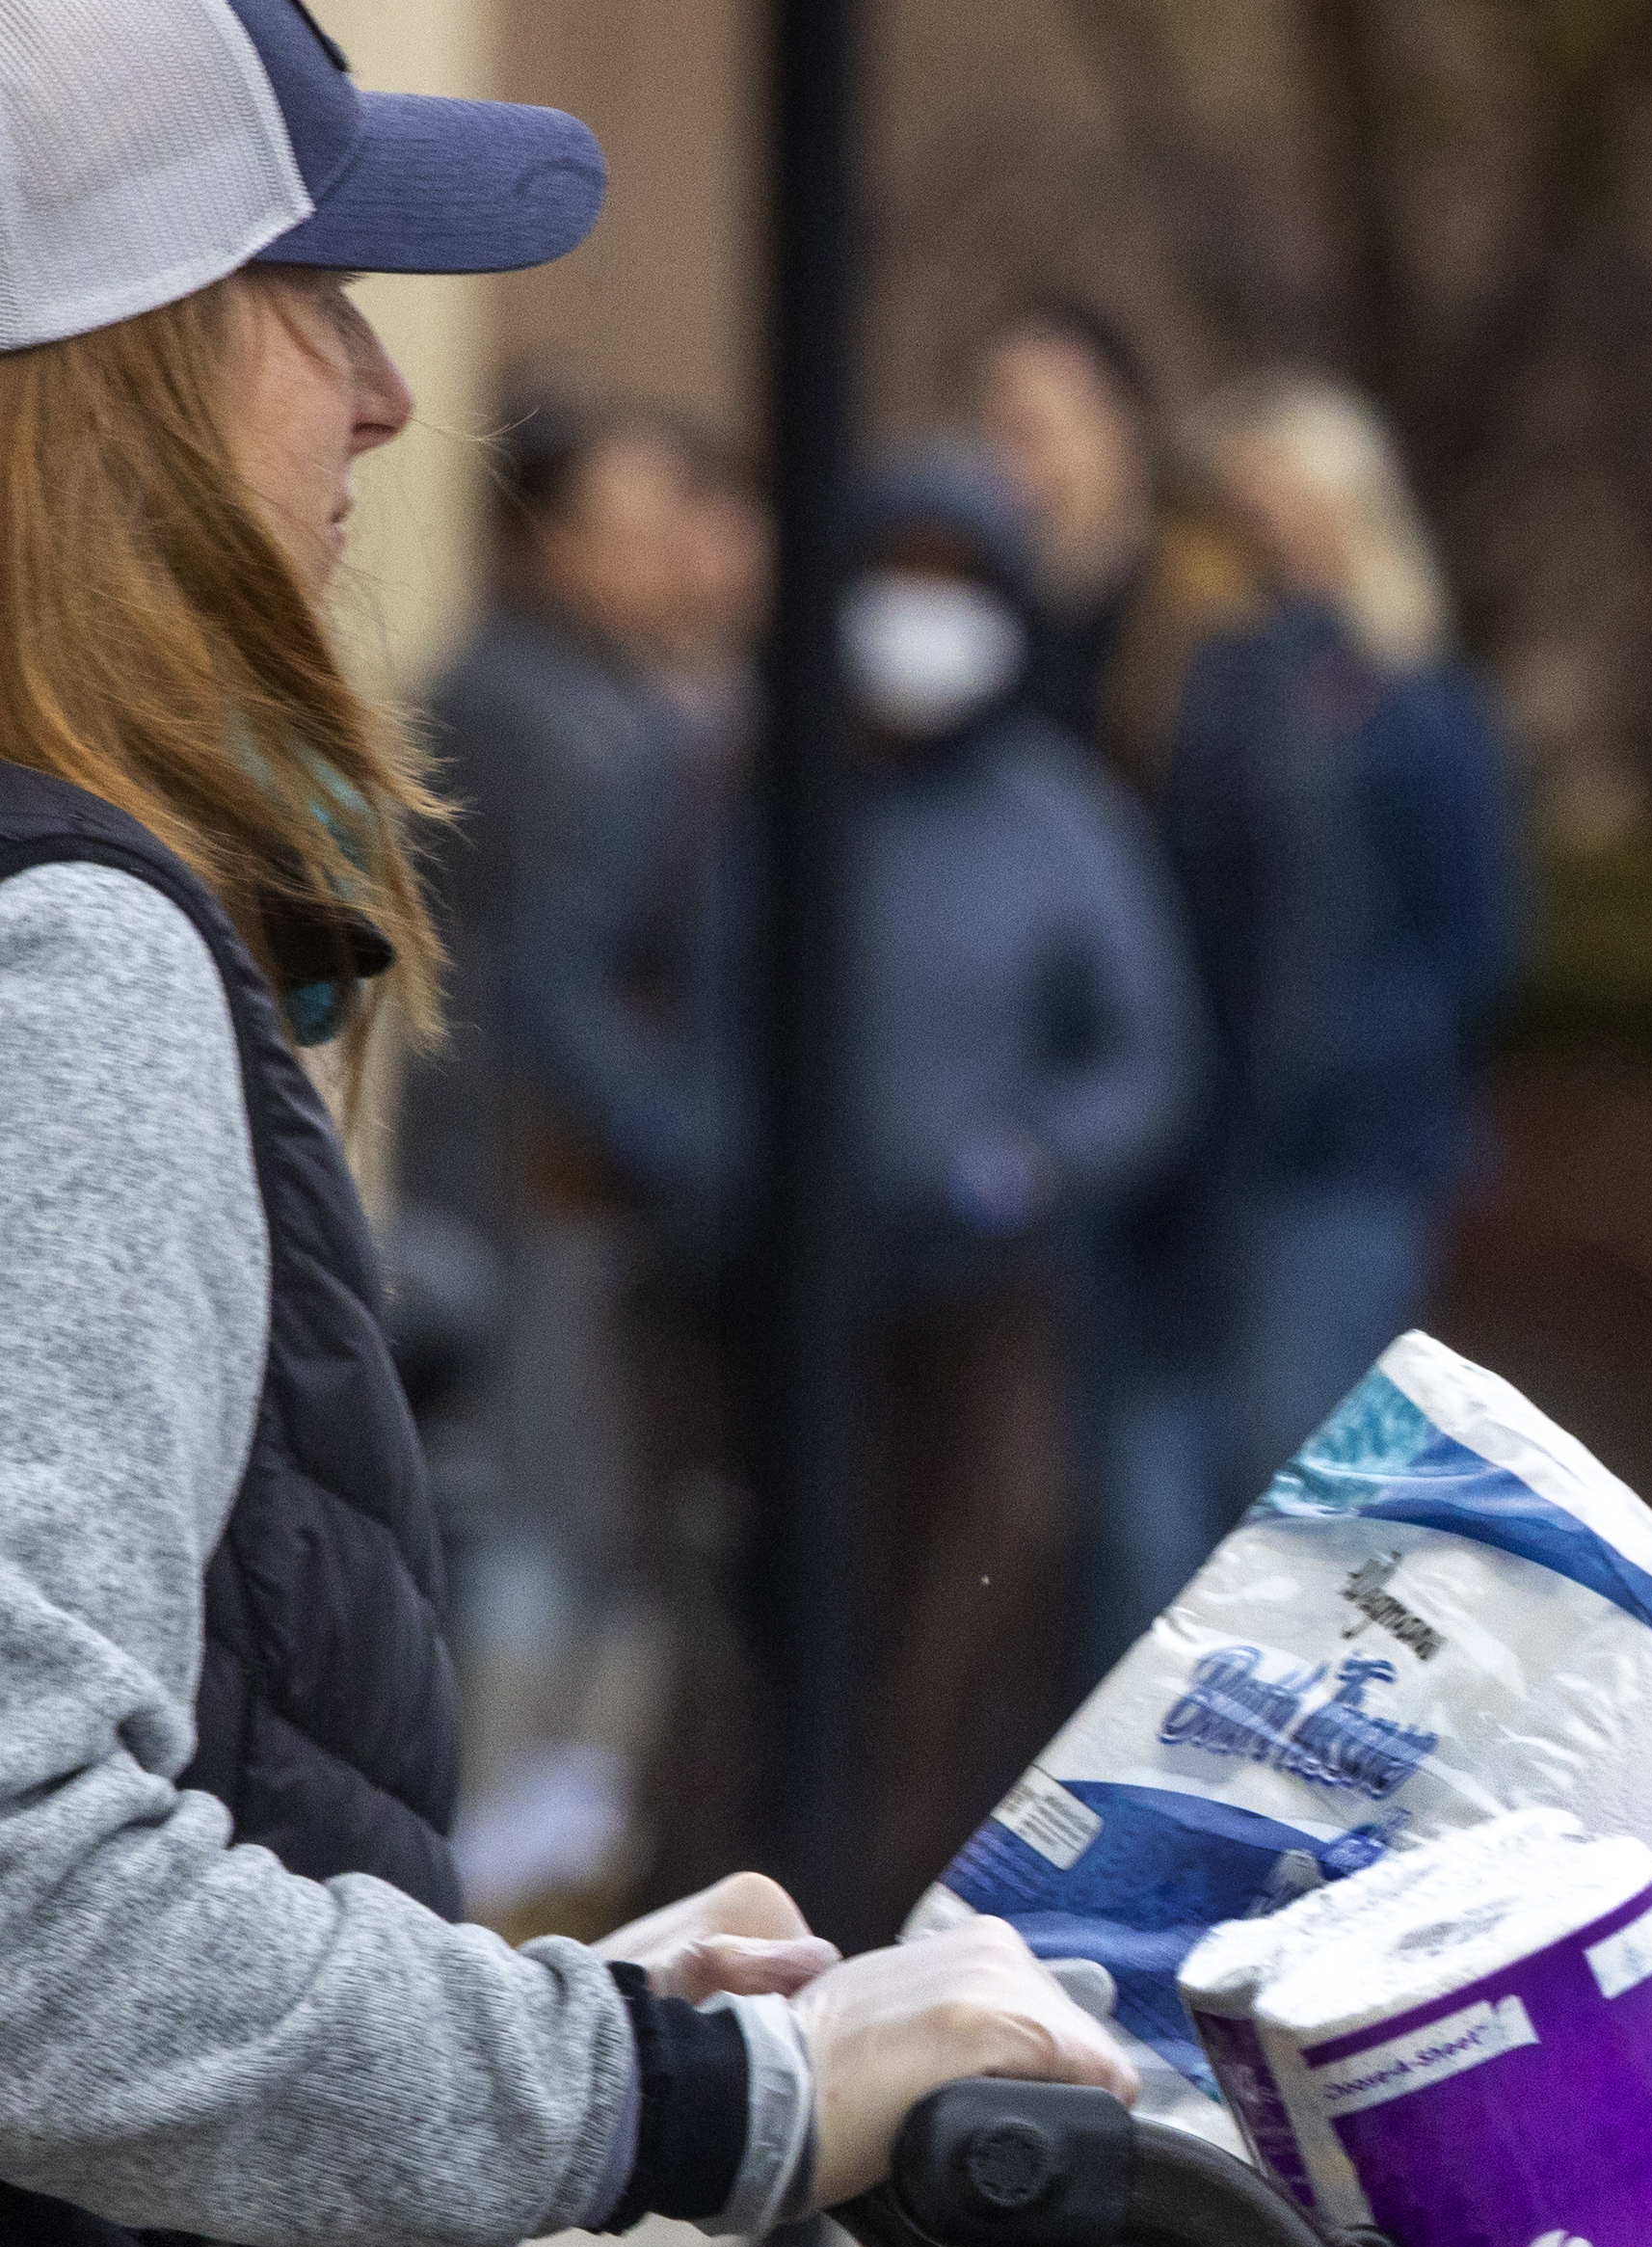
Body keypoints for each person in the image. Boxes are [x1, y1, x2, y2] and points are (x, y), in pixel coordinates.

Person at [0, 9, 1135, 2247]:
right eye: (305, 295)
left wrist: (566, 2008)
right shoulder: (62, 965)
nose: (375, 388)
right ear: (102, 370)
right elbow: (29, 1911)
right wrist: (727, 2109)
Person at [584, 456, 1208, 1887]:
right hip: (730, 1284)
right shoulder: (722, 775)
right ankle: (702, 1917)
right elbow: (575, 974)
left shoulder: (1060, 818)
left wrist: (1035, 1163)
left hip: (956, 1305)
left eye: (958, 585)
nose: (923, 620)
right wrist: (662, 1124)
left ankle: (890, 1913)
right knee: (728, 1627)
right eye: (896, 578)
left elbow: (1149, 1054)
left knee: (940, 1630)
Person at [399, 390, 743, 1909]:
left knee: (577, 1491)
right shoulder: (523, 704)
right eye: (627, 527)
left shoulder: (617, 691)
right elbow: (575, 971)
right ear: (537, 539)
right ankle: (490, 1817)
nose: (663, 558)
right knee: (530, 1489)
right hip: (518, 1171)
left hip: (554, 1172)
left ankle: (537, 1814)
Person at [1181, 372, 1513, 1493]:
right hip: (1212, 1141)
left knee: (1301, 1486)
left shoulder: (1409, 709)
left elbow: (1473, 935)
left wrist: (1335, 1058)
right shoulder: (1220, 680)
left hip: (1343, 1151)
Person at [1072, 429, 1376, 1645]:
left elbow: (1285, 960)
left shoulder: (1237, 711)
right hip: (1203, 1161)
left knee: (1203, 1511)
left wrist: (1217, 1157)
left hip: (1229, 1169)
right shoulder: (1216, 703)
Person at [973, 294, 1160, 752]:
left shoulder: (1197, 641)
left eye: (1030, 434)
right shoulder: (976, 617)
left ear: (1122, 435)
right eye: (989, 434)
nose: (1005, 469)